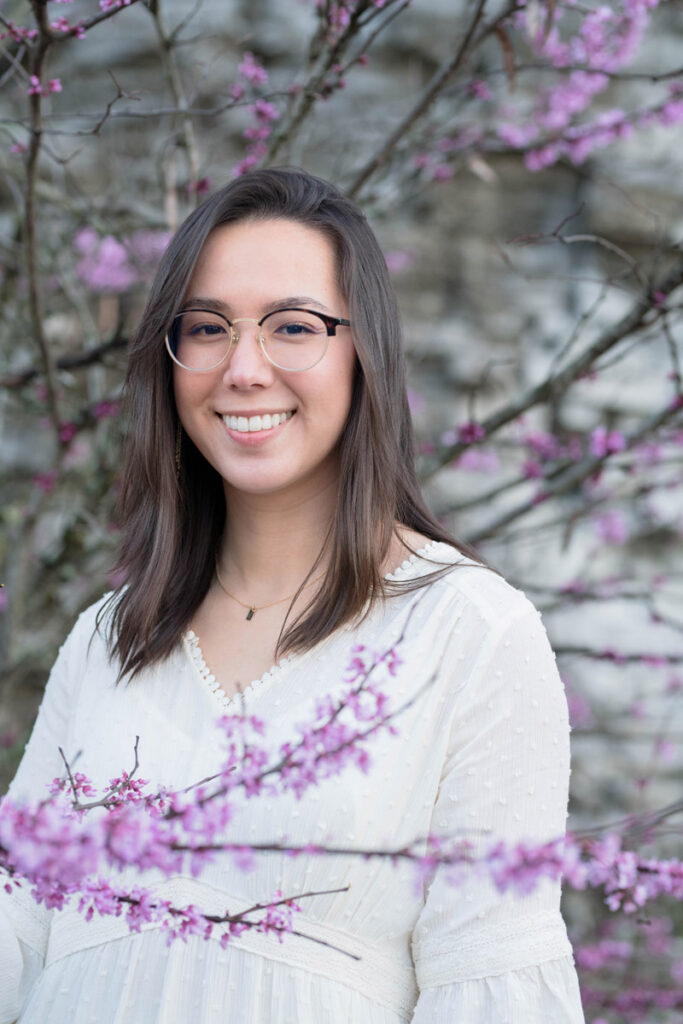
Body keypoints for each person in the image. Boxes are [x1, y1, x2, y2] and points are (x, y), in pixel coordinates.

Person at [0, 168, 585, 1023]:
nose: (242, 369)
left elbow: (490, 983)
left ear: (364, 354)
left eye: (292, 327)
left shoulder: (467, 632)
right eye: (205, 328)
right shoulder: (108, 637)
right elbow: (17, 930)